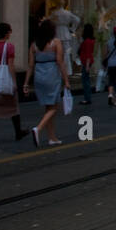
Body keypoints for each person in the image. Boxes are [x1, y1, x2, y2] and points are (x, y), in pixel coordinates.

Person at [24, 18, 70, 146]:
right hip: (51, 75)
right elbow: (60, 62)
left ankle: (52, 137)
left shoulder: (34, 45)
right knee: (54, 106)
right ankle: (38, 129)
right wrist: (66, 80)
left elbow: (30, 65)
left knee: (48, 107)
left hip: (39, 76)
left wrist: (26, 83)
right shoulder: (55, 42)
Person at [76, 23, 95, 105]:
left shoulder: (87, 41)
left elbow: (87, 54)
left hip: (86, 62)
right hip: (87, 62)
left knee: (85, 81)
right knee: (86, 80)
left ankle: (87, 98)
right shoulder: (90, 41)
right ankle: (87, 98)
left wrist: (87, 65)